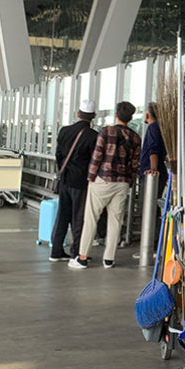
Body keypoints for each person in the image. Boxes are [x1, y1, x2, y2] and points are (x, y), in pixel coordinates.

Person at [69, 101, 141, 270]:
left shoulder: (106, 131)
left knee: (91, 218)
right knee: (116, 221)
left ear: (116, 115)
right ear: (130, 118)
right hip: (122, 183)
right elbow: (134, 164)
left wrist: (91, 177)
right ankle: (109, 259)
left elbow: (97, 156)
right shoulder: (136, 137)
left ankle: (82, 257)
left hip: (103, 180)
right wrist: (129, 181)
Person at [49, 98, 98, 262]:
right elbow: (94, 160)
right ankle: (76, 252)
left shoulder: (64, 131)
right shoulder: (93, 136)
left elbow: (58, 154)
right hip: (82, 182)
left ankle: (56, 250)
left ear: (78, 114)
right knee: (79, 217)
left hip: (65, 179)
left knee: (62, 215)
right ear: (94, 116)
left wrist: (62, 170)